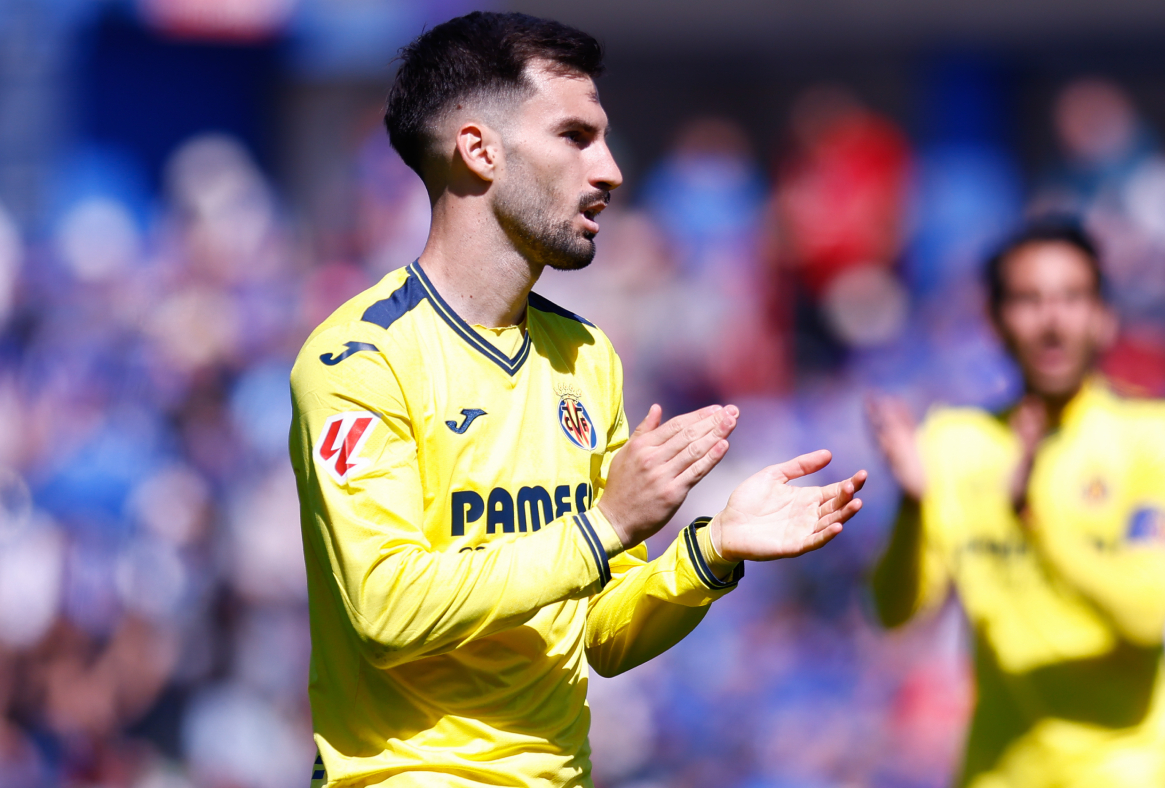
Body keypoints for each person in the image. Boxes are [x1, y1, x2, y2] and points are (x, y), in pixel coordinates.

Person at [288, 12, 866, 788]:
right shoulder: (362, 359)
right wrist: (606, 526)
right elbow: (387, 610)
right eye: (575, 137)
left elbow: (601, 632)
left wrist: (710, 552)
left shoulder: (586, 355)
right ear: (479, 150)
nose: (611, 171)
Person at [867, 219, 1165, 788]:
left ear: (1104, 317)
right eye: (1028, 301)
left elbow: (1147, 615)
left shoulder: (1156, 438)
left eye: (1071, 298)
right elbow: (893, 611)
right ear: (995, 321)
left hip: (1124, 766)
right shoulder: (956, 444)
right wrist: (911, 508)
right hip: (1000, 768)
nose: (1052, 323)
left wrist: (1035, 521)